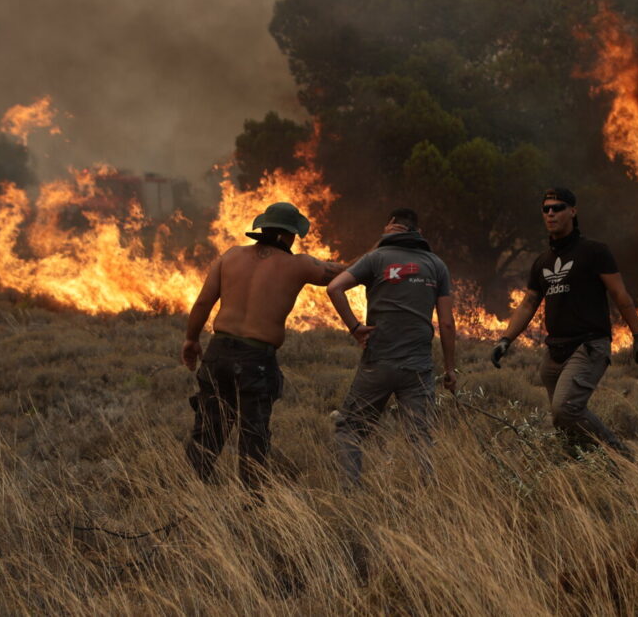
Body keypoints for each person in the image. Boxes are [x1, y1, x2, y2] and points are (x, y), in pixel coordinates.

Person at [180, 201, 343, 488]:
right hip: (255, 360)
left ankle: (190, 495)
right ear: (289, 235)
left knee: (208, 431)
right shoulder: (299, 264)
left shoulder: (230, 256)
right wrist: (380, 257)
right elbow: (342, 273)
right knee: (253, 435)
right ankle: (253, 505)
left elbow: (204, 302)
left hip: (217, 354)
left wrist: (192, 339)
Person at [490, 188, 638, 460]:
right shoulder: (542, 261)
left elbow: (620, 295)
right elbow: (529, 303)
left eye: (558, 207)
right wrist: (505, 339)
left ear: (573, 212)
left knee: (566, 409)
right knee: (563, 422)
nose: (551, 213)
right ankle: (582, 470)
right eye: (546, 209)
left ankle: (621, 457)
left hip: (589, 345)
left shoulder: (594, 251)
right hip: (554, 352)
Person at [326, 208, 456, 485]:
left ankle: (350, 494)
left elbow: (334, 287)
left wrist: (354, 328)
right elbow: (446, 324)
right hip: (418, 367)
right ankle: (429, 495)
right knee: (420, 437)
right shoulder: (436, 265)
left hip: (379, 363)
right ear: (418, 233)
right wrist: (450, 370)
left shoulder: (376, 258)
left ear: (392, 226)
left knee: (349, 429)